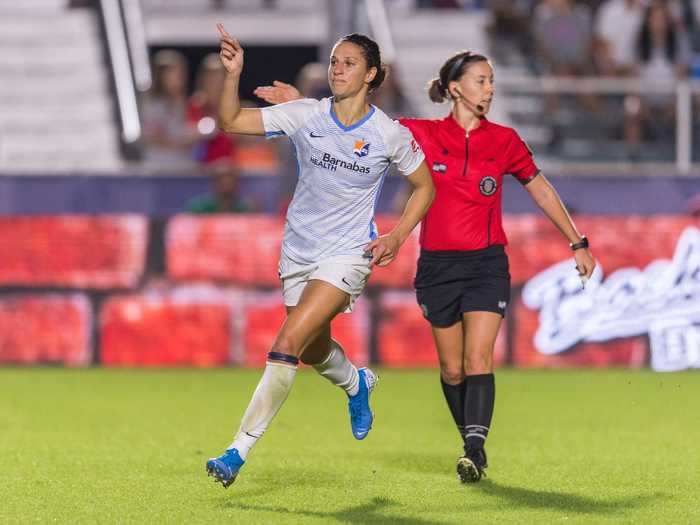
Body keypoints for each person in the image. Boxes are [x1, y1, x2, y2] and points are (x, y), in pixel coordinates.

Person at [255, 50, 596, 483]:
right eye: (481, 80)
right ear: (455, 88)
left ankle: (475, 447)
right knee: (452, 369)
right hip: (437, 265)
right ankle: (469, 441)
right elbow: (354, 124)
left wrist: (577, 241)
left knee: (478, 358)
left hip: (487, 263)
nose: (489, 89)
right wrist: (303, 102)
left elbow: (542, 189)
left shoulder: (505, 140)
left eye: (491, 81)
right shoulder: (420, 134)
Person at [205, 24, 435, 489]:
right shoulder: (306, 113)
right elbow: (231, 122)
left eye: (349, 62)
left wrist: (396, 237)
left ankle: (237, 450)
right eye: (334, 61)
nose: (337, 69)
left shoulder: (388, 134)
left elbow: (425, 186)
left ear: (371, 74)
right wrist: (233, 75)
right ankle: (356, 383)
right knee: (311, 349)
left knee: (287, 342)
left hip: (348, 254)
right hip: (298, 251)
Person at [185, 160, 254, 214]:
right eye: (221, 179)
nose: (226, 182)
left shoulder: (246, 207)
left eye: (231, 178)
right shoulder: (198, 207)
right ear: (213, 182)